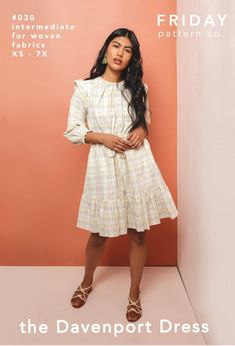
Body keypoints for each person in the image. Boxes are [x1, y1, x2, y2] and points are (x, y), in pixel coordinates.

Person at [63, 28, 178, 323]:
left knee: (138, 231)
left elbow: (145, 121)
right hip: (103, 163)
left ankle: (134, 294)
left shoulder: (139, 89)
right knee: (99, 234)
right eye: (115, 46)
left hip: (137, 163)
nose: (120, 53)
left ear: (132, 58)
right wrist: (102, 137)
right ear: (105, 51)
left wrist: (141, 129)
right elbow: (73, 130)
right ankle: (87, 282)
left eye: (127, 50)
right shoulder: (85, 89)